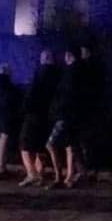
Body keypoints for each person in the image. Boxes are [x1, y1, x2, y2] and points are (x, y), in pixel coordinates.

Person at [18, 49, 59, 188]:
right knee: (39, 146)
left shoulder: (40, 73)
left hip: (34, 114)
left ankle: (32, 174)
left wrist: (24, 108)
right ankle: (40, 175)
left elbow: (32, 93)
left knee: (25, 145)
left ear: (44, 58)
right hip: (48, 115)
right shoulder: (57, 74)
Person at [46, 48, 80, 187]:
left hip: (64, 114)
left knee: (51, 144)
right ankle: (69, 177)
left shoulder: (70, 73)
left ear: (69, 56)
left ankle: (59, 177)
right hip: (70, 114)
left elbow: (66, 95)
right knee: (69, 145)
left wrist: (58, 109)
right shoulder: (75, 72)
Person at [74, 44, 104, 182]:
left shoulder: (86, 68)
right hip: (89, 109)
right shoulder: (92, 67)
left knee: (83, 142)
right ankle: (88, 170)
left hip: (85, 110)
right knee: (86, 142)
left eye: (83, 51)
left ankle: (85, 170)